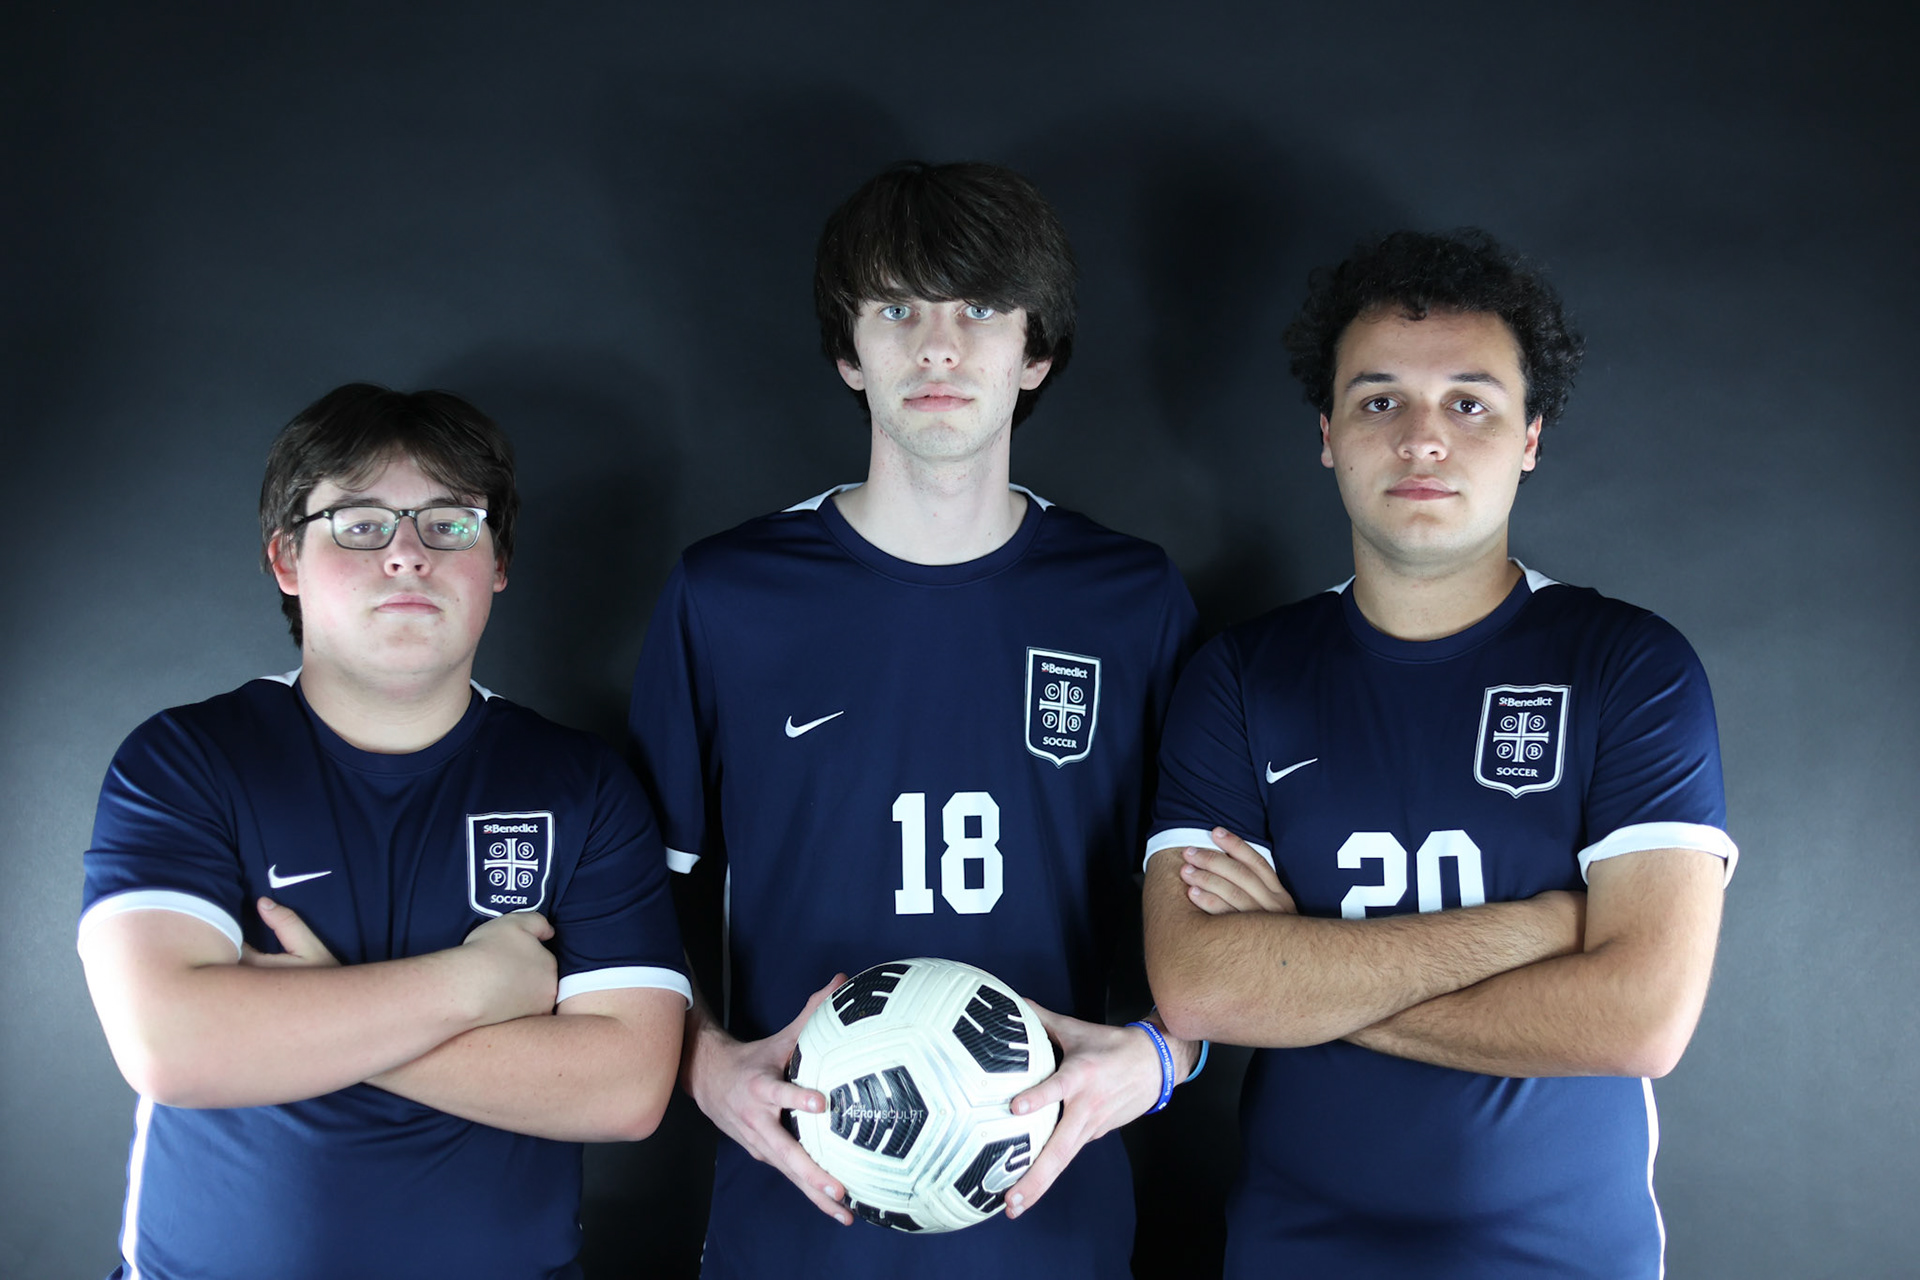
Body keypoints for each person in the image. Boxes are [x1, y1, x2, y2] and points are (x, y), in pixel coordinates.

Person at [628, 161, 1203, 1278]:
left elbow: (1216, 909)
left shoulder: (1132, 599)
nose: (938, 346)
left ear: (1035, 351)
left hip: (1056, 1219)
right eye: (897, 308)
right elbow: (633, 903)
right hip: (799, 1213)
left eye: (981, 309)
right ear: (850, 351)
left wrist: (1164, 1056)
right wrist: (703, 1064)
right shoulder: (728, 594)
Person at [1142, 229, 1737, 1277]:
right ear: (1327, 433)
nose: (1423, 439)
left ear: (1531, 437)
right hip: (1297, 1251)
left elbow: (1642, 1015)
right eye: (1380, 401)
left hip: (1562, 1257)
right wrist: (1539, 931)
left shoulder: (1629, 665)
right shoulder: (1240, 676)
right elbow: (1199, 986)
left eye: (1470, 402)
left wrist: (1305, 965)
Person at [77, 384, 690, 1280]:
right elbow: (176, 1047)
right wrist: (479, 984)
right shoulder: (187, 759)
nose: (407, 555)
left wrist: (313, 1013)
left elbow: (628, 1088)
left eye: (449, 524)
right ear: (287, 558)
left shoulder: (583, 785)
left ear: (498, 559)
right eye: (359, 525)